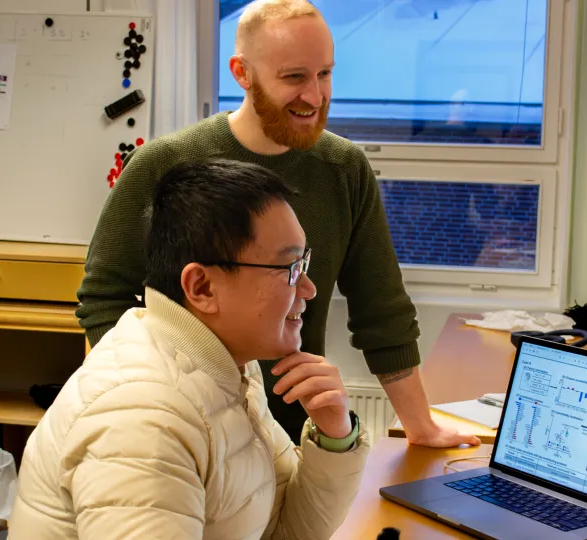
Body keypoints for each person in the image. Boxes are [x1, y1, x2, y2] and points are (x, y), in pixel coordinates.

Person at [75, 0, 479, 448]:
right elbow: (104, 295)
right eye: (294, 77)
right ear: (242, 73)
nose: (315, 96)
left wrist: (421, 426)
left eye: (324, 74)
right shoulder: (164, 164)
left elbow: (382, 311)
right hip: (184, 432)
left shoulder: (344, 169)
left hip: (294, 439)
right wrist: (151, 397)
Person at [9, 159, 369, 539]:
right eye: (289, 269)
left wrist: (334, 438)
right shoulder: (143, 420)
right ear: (202, 288)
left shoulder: (226, 366)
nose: (309, 289)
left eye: (303, 263)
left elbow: (282, 529)